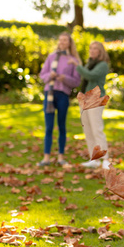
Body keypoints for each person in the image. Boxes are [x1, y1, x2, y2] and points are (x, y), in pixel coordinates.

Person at [38, 32, 81, 166]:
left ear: (69, 43)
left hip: (63, 95)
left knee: (62, 126)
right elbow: (42, 75)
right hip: (49, 95)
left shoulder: (73, 60)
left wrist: (64, 79)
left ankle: (61, 157)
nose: (62, 42)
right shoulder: (51, 57)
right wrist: (49, 76)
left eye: (65, 40)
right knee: (49, 127)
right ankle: (46, 158)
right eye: (60, 40)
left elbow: (76, 81)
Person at [76, 41, 111, 170]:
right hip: (85, 100)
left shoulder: (102, 65)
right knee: (88, 130)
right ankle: (94, 159)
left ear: (100, 51)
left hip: (96, 99)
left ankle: (105, 160)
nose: (92, 50)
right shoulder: (89, 63)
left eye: (95, 48)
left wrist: (78, 66)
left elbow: (90, 76)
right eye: (90, 48)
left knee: (97, 129)